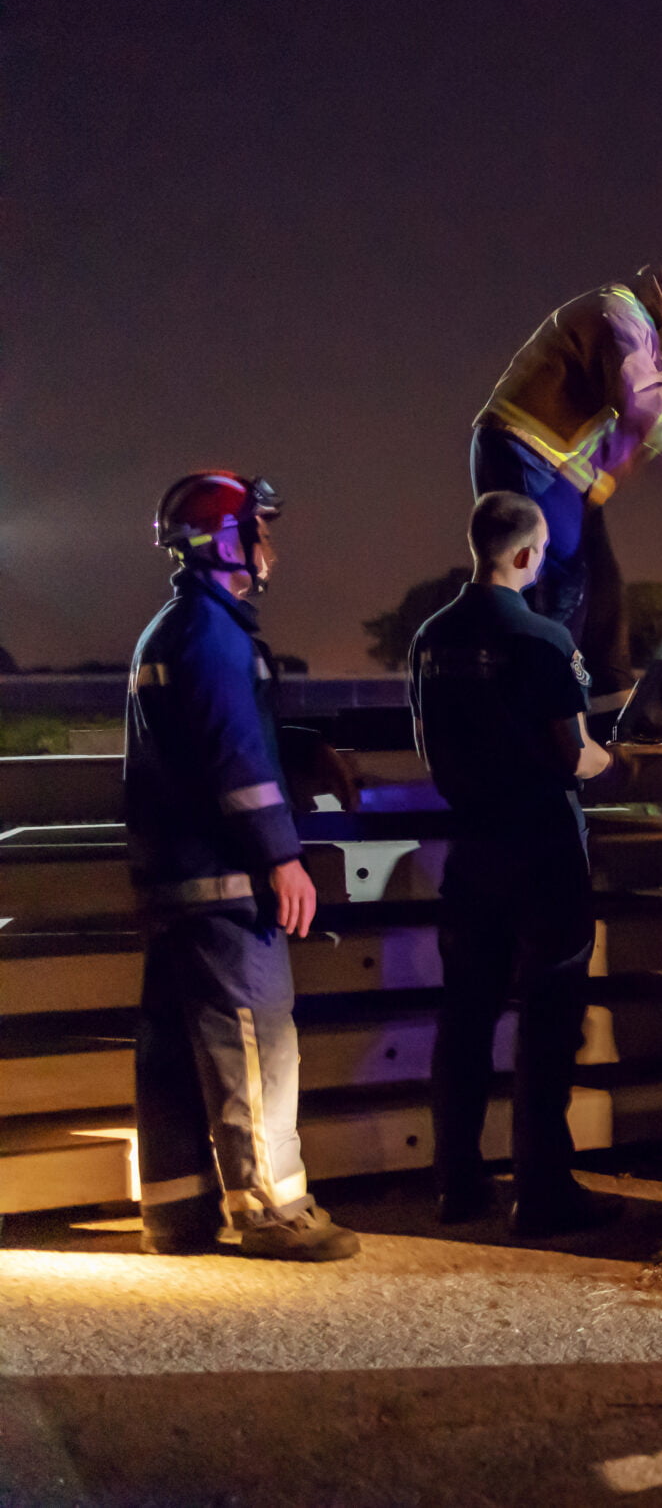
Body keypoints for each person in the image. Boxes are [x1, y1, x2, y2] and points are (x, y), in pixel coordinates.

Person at [124, 471, 360, 1260]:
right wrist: (282, 856)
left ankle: (177, 1211)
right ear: (227, 542)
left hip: (173, 880)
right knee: (257, 1041)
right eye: (260, 528)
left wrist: (302, 749)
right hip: (226, 883)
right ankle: (270, 1209)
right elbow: (232, 759)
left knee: (172, 1050)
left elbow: (211, 740)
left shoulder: (175, 629)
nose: (270, 544)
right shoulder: (214, 635)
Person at [409, 492, 623, 1235]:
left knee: (464, 1018)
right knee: (547, 1020)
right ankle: (542, 1190)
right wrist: (606, 758)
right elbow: (573, 751)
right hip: (543, 854)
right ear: (528, 555)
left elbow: (431, 748)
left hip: (470, 852)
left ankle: (456, 1184)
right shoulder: (543, 639)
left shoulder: (431, 638)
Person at [472, 250, 662, 712]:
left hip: (564, 473)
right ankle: (537, 708)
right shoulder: (620, 313)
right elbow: (645, 402)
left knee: (601, 584)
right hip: (527, 449)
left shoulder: (652, 347)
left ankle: (610, 702)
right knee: (560, 580)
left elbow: (653, 434)